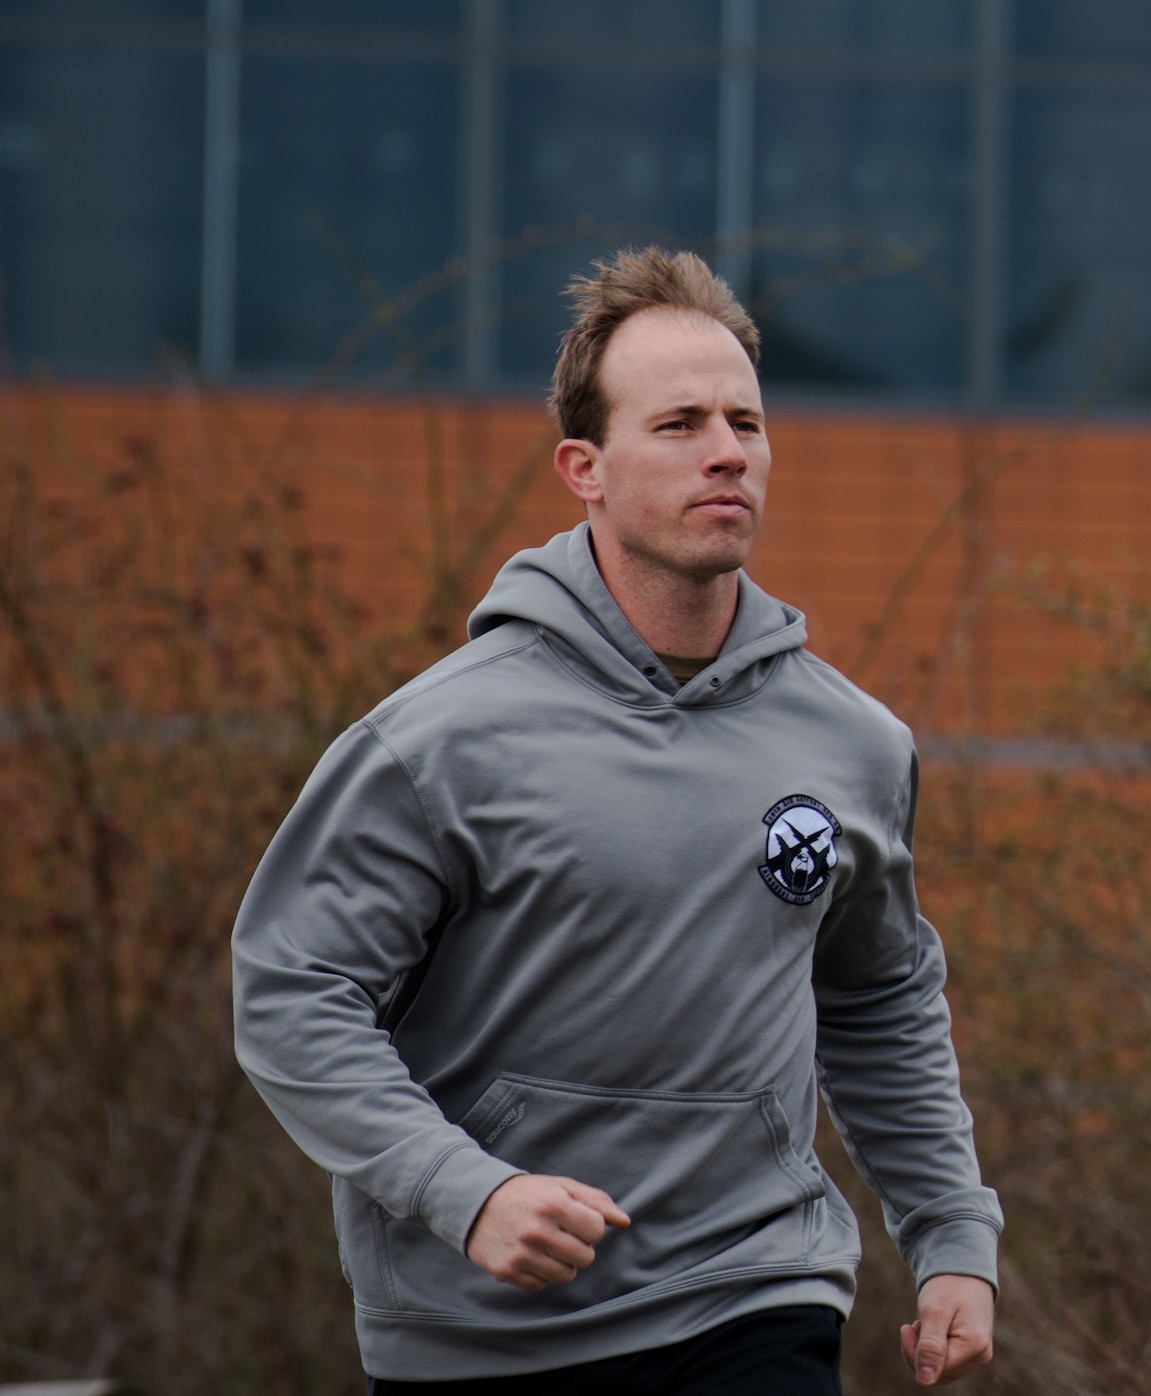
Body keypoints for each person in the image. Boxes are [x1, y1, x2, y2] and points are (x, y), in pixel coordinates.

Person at [231, 248, 1001, 1393]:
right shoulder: (438, 741)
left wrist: (951, 1236)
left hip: (755, 1289)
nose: (727, 450)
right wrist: (466, 1188)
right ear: (583, 468)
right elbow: (293, 992)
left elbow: (878, 999)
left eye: (744, 420)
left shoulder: (853, 745)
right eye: (681, 423)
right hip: (483, 1327)